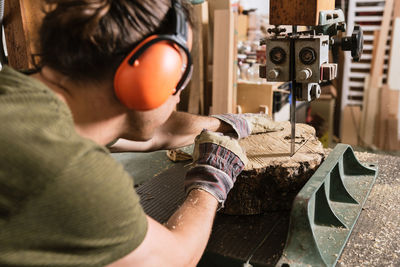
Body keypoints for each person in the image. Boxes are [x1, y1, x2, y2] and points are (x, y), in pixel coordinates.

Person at [0, 0, 279, 266]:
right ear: (152, 73)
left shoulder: (19, 94)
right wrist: (211, 181)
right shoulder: (70, 171)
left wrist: (224, 124)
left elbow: (162, 130)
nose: (179, 92)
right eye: (179, 74)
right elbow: (174, 258)